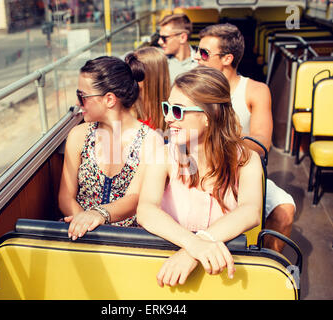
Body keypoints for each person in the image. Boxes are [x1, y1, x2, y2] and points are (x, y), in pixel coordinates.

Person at [137, 66, 263, 287]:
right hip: (167, 270)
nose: (167, 118)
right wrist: (193, 245)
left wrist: (197, 246)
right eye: (167, 108)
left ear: (208, 117)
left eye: (177, 111)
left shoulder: (246, 161)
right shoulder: (164, 156)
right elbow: (146, 210)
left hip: (222, 271)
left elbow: (250, 211)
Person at [195, 23, 295, 252]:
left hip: (239, 170)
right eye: (197, 51)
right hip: (198, 170)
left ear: (227, 59)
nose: (197, 58)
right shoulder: (194, 87)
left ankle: (265, 265)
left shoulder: (254, 90)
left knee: (284, 209)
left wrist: (218, 144)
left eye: (203, 53)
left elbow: (261, 142)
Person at [58, 56, 154, 240]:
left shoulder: (150, 140)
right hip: (79, 234)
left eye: (82, 96)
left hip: (127, 238)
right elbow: (65, 196)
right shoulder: (78, 135)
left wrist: (97, 215)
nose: (78, 103)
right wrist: (82, 223)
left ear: (109, 99)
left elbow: (133, 198)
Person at [125, 46, 171, 131]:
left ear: (153, 76)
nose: (130, 78)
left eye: (136, 73)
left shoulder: (174, 110)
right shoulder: (125, 107)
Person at [157, 13, 198, 83]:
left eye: (164, 38)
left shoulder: (200, 64)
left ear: (182, 38)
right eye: (159, 37)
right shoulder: (158, 61)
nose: (159, 42)